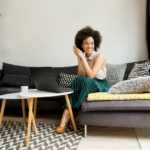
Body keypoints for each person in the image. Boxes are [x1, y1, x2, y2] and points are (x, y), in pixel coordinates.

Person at [56, 26, 110, 133]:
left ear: (95, 44)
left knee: (87, 81)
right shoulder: (83, 57)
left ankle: (73, 113)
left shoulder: (99, 56)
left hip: (100, 84)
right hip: (88, 84)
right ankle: (63, 122)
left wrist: (83, 59)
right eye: (86, 43)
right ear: (81, 45)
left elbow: (91, 75)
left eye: (92, 43)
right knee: (76, 81)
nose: (90, 46)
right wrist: (80, 58)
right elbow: (80, 75)